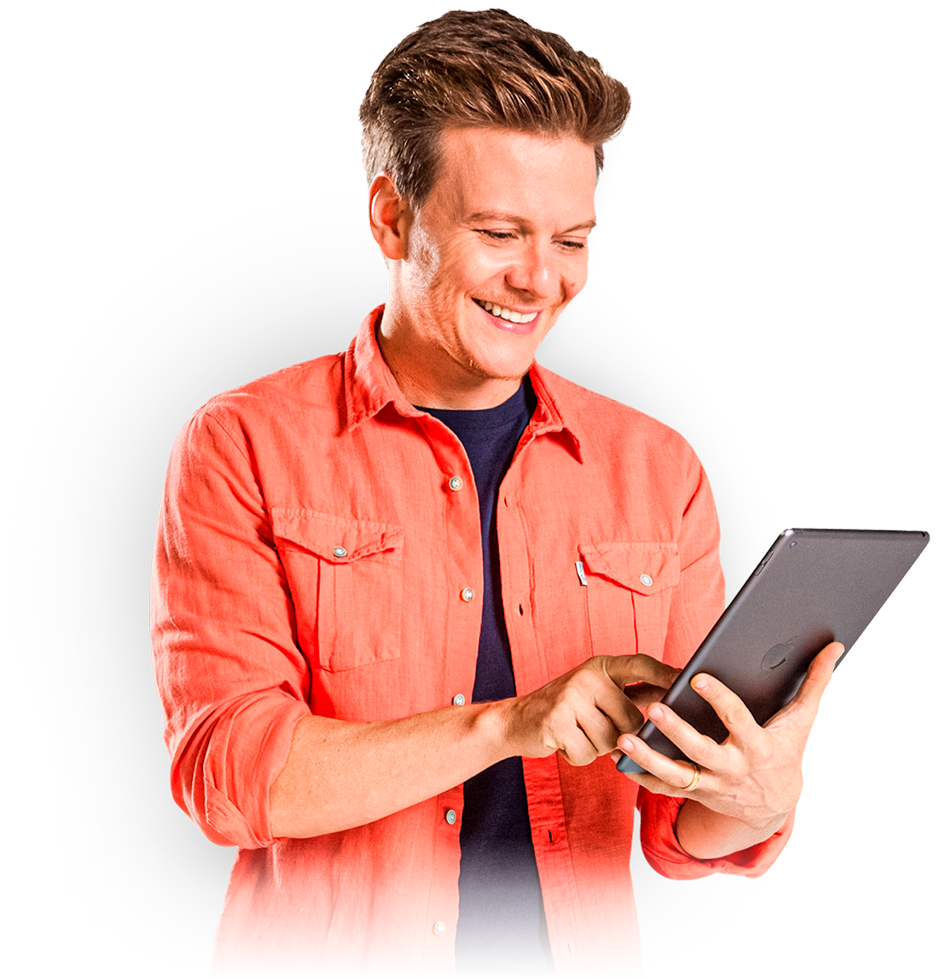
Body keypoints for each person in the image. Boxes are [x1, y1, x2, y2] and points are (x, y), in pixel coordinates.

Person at [150, 10, 841, 979]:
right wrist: (508, 721)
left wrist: (752, 793)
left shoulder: (658, 467)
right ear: (392, 217)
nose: (540, 279)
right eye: (500, 232)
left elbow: (674, 829)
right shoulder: (242, 444)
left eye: (571, 238)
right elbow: (233, 774)